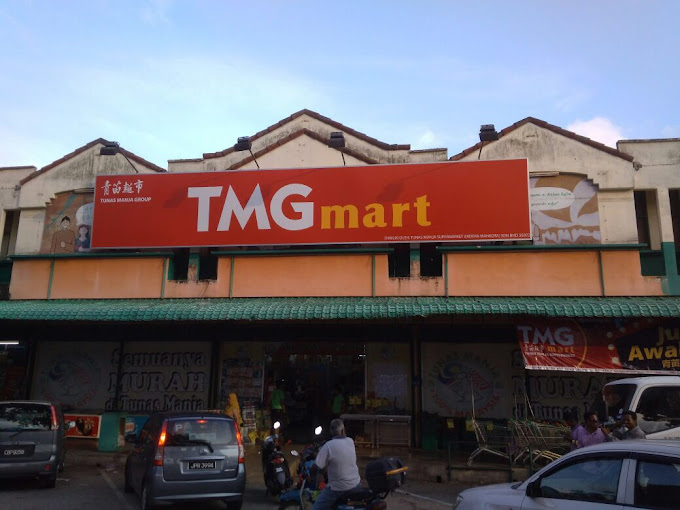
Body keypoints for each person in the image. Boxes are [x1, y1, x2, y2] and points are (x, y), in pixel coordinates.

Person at [311, 418, 361, 510]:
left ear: (331, 432)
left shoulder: (328, 446)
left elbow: (316, 467)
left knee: (316, 508)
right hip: (355, 484)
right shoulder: (350, 441)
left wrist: (311, 477)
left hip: (338, 488)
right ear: (342, 431)